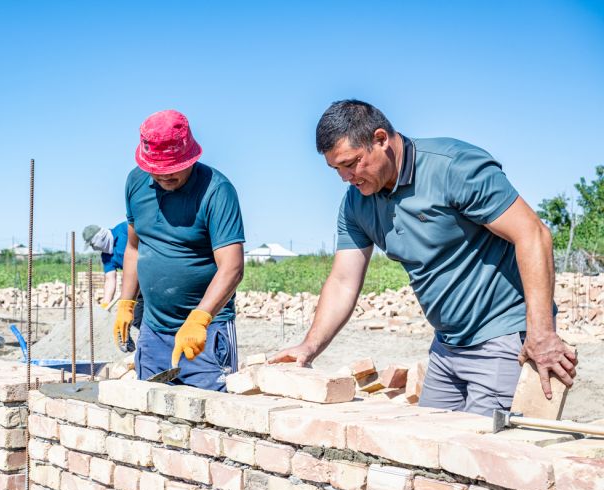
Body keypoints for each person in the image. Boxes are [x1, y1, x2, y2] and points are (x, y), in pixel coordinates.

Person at [271, 99, 577, 416]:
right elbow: (343, 281)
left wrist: (542, 334)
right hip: (447, 346)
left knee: (485, 453)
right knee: (430, 446)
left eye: (352, 163)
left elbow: (533, 234)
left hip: (503, 338)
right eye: (337, 169)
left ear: (380, 139)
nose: (346, 177)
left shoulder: (453, 167)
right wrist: (309, 347)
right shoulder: (356, 204)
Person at [112, 109, 245, 391]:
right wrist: (126, 302)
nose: (165, 177)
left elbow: (232, 267)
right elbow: (134, 248)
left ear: (190, 156)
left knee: (211, 422)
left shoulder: (217, 190)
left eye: (173, 169)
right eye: (157, 171)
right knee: (149, 420)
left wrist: (200, 319)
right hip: (154, 331)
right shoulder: (135, 183)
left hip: (206, 333)